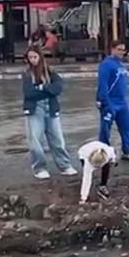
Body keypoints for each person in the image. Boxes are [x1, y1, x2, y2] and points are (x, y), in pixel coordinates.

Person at [23, 46, 77, 180]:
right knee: (35, 141)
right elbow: (29, 93)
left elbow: (58, 88)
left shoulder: (50, 72)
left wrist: (43, 87)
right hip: (35, 109)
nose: (33, 60)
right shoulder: (27, 74)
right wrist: (47, 90)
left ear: (40, 57)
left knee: (57, 139)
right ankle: (39, 168)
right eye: (30, 57)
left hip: (51, 108)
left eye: (35, 57)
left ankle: (65, 165)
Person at [97, 40, 129, 168]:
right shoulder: (106, 65)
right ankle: (104, 154)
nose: (122, 52)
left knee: (127, 126)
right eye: (119, 49)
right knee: (105, 129)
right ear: (112, 49)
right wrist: (105, 102)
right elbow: (103, 85)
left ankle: (127, 151)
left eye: (123, 50)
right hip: (110, 102)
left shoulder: (121, 65)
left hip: (123, 102)